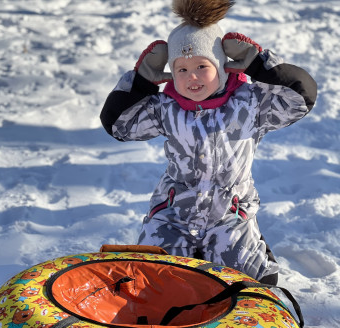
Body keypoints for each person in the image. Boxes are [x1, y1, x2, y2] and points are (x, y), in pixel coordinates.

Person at [100, 0, 317, 285]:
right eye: (181, 69)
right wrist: (141, 82)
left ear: (223, 66)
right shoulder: (166, 107)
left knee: (249, 280)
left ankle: (249, 259)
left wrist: (259, 64)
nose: (192, 77)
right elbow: (119, 125)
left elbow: (300, 98)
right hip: (174, 213)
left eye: (202, 66)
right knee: (152, 278)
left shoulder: (250, 103)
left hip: (229, 213)